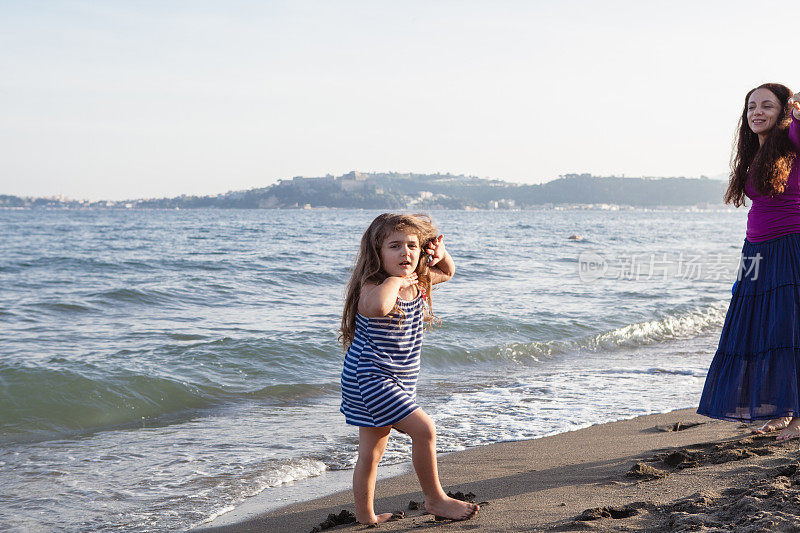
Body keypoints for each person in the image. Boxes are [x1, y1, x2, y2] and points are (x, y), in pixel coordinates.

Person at [339, 213, 479, 525]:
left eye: (413, 246)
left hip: (394, 379)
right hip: (369, 377)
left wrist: (439, 254)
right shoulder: (372, 287)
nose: (406, 252)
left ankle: (365, 516)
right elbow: (380, 307)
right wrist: (396, 280)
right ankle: (435, 499)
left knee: (373, 450)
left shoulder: (419, 281)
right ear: (377, 254)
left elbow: (448, 271)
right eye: (395, 246)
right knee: (425, 429)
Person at [698, 83, 800, 440]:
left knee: (791, 329)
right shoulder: (755, 153)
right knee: (765, 328)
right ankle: (782, 409)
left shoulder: (793, 142)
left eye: (767, 105)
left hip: (792, 247)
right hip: (755, 250)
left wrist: (799, 112)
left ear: (784, 110)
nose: (757, 111)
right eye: (752, 106)